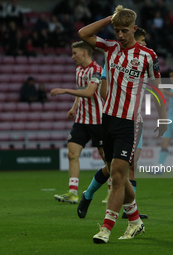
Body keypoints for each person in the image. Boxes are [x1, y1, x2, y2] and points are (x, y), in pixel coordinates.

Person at [78, 5, 167, 243]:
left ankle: (106, 229)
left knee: (118, 175)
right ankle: (136, 221)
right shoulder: (110, 48)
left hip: (130, 123)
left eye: (124, 30)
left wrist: (163, 116)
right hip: (107, 120)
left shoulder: (148, 56)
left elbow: (156, 90)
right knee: (119, 176)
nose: (119, 35)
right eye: (116, 30)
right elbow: (83, 34)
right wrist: (109, 18)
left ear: (134, 29)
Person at [77, 28, 149, 220]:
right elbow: (102, 92)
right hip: (116, 119)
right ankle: (88, 194)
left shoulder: (144, 61)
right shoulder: (114, 59)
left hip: (136, 120)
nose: (144, 45)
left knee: (131, 165)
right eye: (142, 41)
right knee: (115, 168)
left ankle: (129, 210)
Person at [50, 41, 107, 204]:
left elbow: (89, 92)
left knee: (106, 158)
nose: (72, 56)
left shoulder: (96, 69)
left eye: (75, 53)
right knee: (72, 154)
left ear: (84, 52)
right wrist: (74, 107)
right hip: (81, 120)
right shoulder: (79, 70)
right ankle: (73, 192)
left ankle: (112, 191)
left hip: (98, 120)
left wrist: (64, 90)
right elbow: (80, 90)